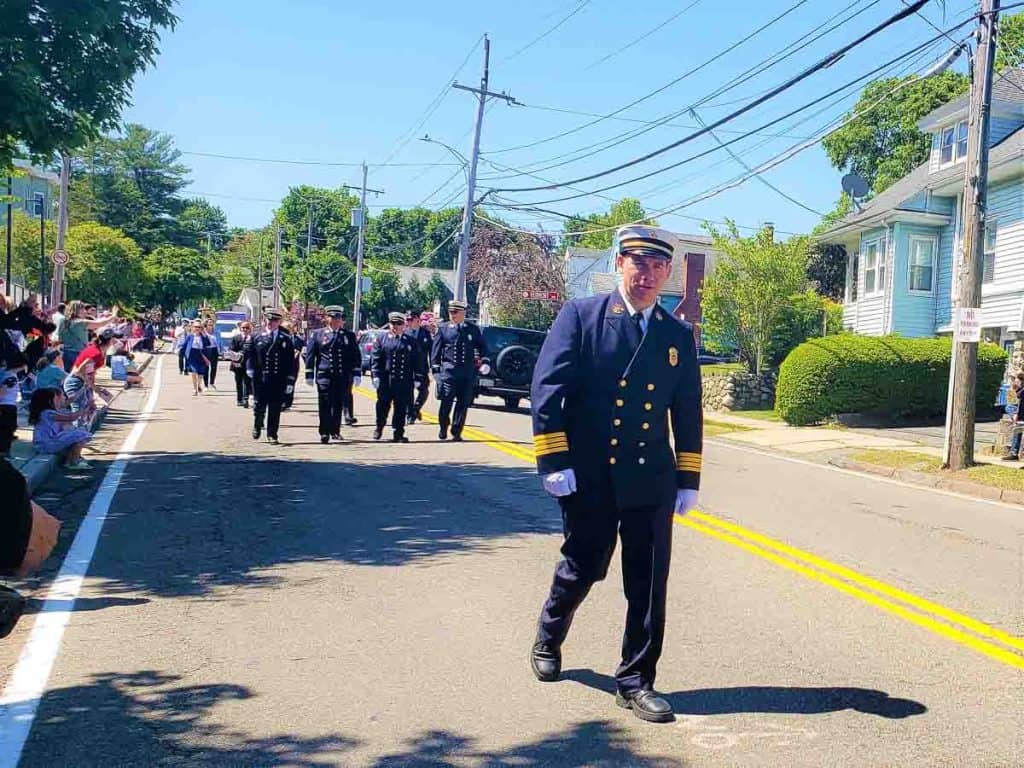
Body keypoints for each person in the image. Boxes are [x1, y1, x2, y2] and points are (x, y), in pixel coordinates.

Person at [527, 225, 703, 725]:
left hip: (651, 478)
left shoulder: (676, 335)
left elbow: (688, 410)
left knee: (648, 584)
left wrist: (688, 476)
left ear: (668, 273)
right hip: (592, 475)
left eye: (656, 266)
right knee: (584, 567)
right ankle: (549, 632)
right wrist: (554, 462)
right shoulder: (583, 317)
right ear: (619, 264)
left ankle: (635, 680)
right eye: (637, 263)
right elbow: (548, 392)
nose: (646, 275)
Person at [430, 299, 488, 442]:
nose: (452, 315)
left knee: (463, 403)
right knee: (446, 401)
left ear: (463, 313)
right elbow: (435, 352)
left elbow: (483, 347)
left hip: (467, 373)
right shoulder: (443, 329)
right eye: (451, 312)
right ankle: (443, 426)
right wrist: (436, 371)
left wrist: (484, 361)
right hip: (449, 373)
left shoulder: (472, 329)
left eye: (455, 312)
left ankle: (456, 431)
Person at [304, 306, 361, 444]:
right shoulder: (317, 334)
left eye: (338, 318)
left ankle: (335, 430)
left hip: (342, 375)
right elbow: (311, 355)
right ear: (326, 319)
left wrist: (357, 373)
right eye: (332, 318)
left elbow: (355, 356)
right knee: (324, 403)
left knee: (338, 404)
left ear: (341, 320)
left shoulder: (348, 336)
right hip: (325, 375)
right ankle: (324, 431)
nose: (335, 321)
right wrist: (309, 374)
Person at [247, 307, 297, 445]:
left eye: (274, 320)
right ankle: (257, 425)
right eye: (269, 320)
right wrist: (250, 369)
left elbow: (290, 362)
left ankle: (272, 434)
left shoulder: (285, 338)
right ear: (265, 320)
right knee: (259, 405)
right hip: (260, 378)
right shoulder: (256, 336)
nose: (271, 323)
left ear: (279, 321)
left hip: (277, 379)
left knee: (275, 407)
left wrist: (290, 380)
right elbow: (250, 355)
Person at [372, 312, 422, 443]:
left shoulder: (410, 341)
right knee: (382, 406)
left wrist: (418, 377)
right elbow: (376, 359)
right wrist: (376, 375)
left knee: (400, 408)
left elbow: (417, 362)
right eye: (393, 323)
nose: (395, 326)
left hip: (403, 380)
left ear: (404, 326)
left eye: (398, 324)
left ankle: (398, 432)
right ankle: (379, 426)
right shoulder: (381, 339)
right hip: (386, 380)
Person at [29, 388, 94, 469]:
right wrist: (84, 410)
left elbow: (69, 422)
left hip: (48, 442)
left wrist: (86, 409)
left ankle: (70, 460)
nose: (61, 399)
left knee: (76, 433)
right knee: (81, 434)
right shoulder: (48, 413)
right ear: (49, 401)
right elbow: (71, 417)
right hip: (46, 445)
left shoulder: (47, 412)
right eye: (56, 398)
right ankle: (73, 462)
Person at [61, 300, 116, 373]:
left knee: (68, 377)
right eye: (83, 309)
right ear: (77, 310)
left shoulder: (64, 322)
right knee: (79, 377)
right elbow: (101, 323)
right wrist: (113, 316)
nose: (85, 311)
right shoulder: (81, 322)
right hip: (78, 354)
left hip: (66, 353)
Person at [405, 311, 432, 425]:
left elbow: (431, 350)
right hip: (407, 367)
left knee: (424, 391)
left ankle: (416, 409)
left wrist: (433, 365)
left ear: (417, 320)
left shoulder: (425, 333)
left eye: (411, 320)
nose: (409, 322)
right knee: (407, 392)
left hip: (421, 367)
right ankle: (410, 414)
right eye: (408, 320)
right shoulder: (405, 333)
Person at [228, 320, 254, 408]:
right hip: (237, 364)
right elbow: (231, 350)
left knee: (247, 382)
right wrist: (235, 361)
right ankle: (239, 399)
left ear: (250, 329)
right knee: (239, 382)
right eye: (243, 328)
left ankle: (245, 399)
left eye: (247, 328)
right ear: (240, 328)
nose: (245, 329)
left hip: (249, 364)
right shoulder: (236, 338)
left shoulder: (253, 338)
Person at [183, 320, 211, 396]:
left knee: (200, 374)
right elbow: (184, 345)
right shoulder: (190, 336)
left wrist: (205, 334)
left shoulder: (203, 336)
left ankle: (199, 385)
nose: (197, 328)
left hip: (201, 355)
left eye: (199, 327)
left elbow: (208, 343)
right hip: (192, 355)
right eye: (195, 327)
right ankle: (195, 389)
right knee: (194, 372)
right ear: (192, 327)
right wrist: (182, 353)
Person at [1002, 371, 1024, 460]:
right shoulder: (1021, 389)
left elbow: (1019, 395)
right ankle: (1014, 453)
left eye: (1017, 380)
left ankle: (1014, 453)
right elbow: (1017, 398)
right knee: (1017, 429)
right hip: (1021, 414)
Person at [203, 318, 220, 389]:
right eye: (209, 324)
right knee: (206, 368)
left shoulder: (217, 332)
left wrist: (221, 351)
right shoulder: (203, 333)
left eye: (212, 324)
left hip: (214, 350)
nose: (211, 326)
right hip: (206, 350)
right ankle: (205, 385)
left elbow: (220, 342)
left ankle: (212, 382)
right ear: (206, 325)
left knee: (214, 367)